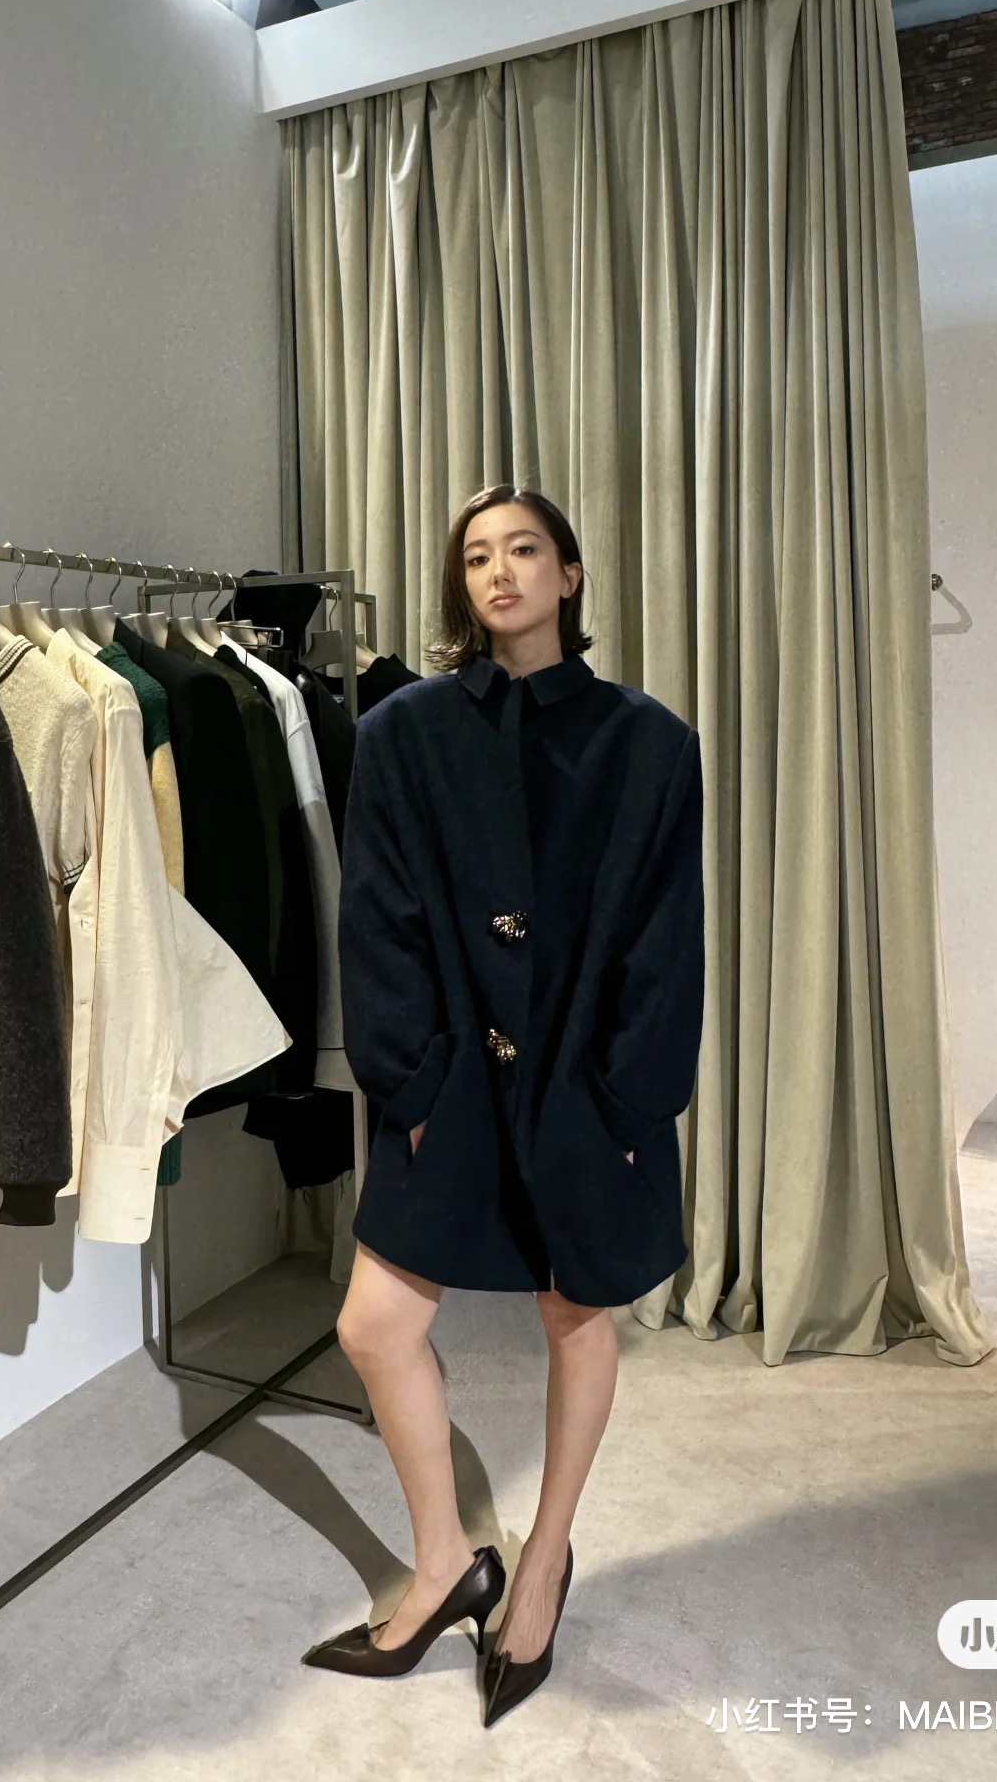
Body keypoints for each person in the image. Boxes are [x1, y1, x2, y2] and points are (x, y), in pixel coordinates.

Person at [302, 483, 705, 1725]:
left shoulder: (650, 742)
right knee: (376, 1325)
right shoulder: (405, 731)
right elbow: (375, 917)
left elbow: (667, 938)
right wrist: (411, 1080)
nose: (500, 571)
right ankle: (446, 1563)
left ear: (570, 576)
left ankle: (543, 1560)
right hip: (452, 1076)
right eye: (476, 555)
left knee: (575, 1313)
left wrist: (632, 1097)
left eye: (525, 549)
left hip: (588, 1081)